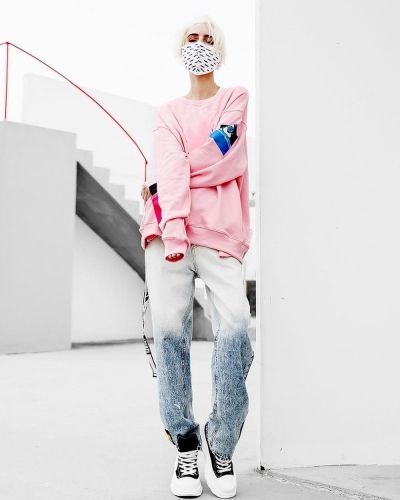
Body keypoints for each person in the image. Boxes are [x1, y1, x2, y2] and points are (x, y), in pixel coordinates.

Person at [139, 15, 254, 499]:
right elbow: (179, 163)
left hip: (220, 233)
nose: (200, 43)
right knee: (169, 335)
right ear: (179, 46)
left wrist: (168, 178)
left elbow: (225, 156)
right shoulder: (166, 112)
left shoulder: (234, 99)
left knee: (236, 326)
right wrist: (171, 219)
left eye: (209, 38)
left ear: (220, 49)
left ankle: (220, 443)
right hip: (165, 232)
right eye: (193, 36)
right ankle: (185, 445)